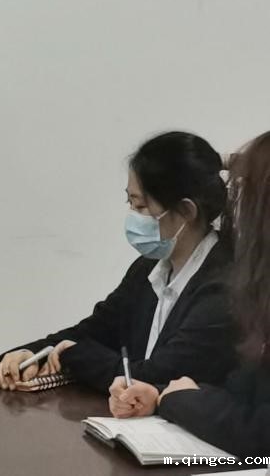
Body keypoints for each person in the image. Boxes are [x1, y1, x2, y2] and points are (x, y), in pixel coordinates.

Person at [0, 132, 235, 392]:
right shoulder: (148, 269)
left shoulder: (226, 284)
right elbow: (96, 330)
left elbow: (157, 375)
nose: (132, 216)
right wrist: (31, 353)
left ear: (186, 211)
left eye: (141, 207)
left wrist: (72, 355)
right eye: (130, 202)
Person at [109, 131, 270, 457]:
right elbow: (243, 390)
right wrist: (160, 395)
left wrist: (177, 398)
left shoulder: (223, 283)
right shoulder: (147, 268)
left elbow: (258, 432)